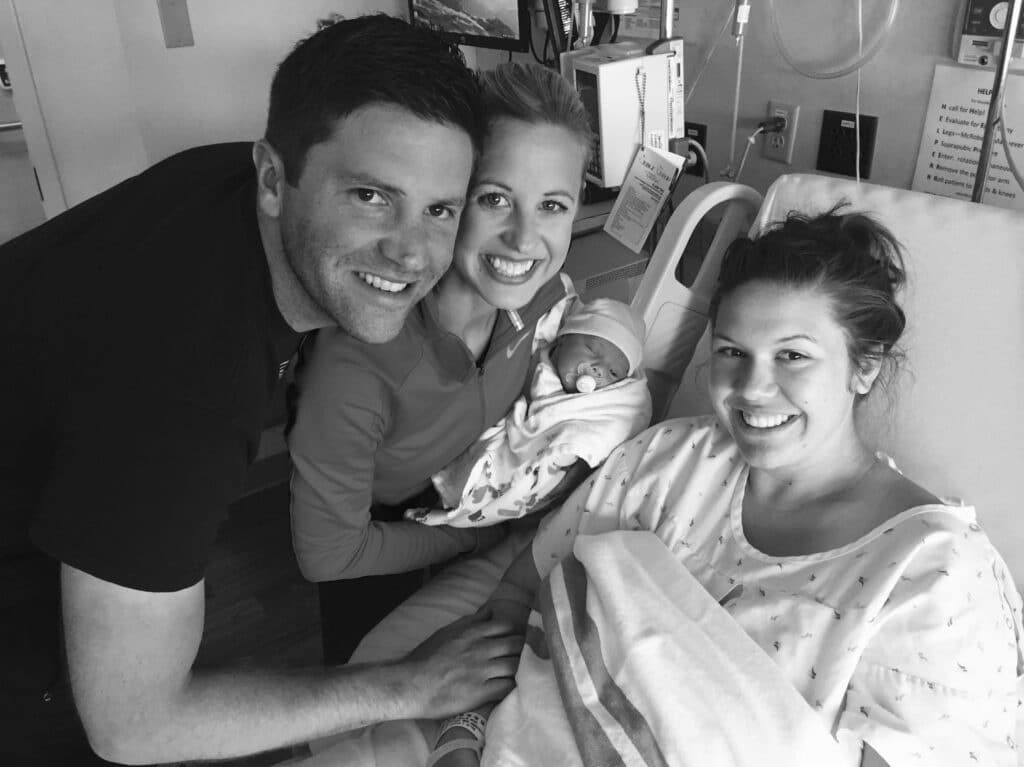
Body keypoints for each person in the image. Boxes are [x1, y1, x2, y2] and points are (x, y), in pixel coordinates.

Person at [0, 15, 527, 766]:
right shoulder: (181, 391)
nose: (413, 252)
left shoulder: (223, 190)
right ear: (275, 177)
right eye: (373, 196)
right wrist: (410, 686)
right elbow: (135, 725)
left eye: (439, 208)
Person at [433, 207, 1024, 766]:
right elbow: (520, 598)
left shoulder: (935, 579)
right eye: (732, 352)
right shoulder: (664, 461)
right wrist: (462, 737)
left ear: (864, 365)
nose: (752, 388)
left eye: (792, 355)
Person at [286, 60, 596, 665]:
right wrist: (469, 535)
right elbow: (328, 552)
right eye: (495, 199)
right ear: (447, 198)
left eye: (553, 205)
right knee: (370, 677)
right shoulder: (358, 361)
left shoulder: (543, 301)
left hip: (473, 498)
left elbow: (583, 329)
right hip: (379, 529)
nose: (525, 239)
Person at [406, 297, 651, 528]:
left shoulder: (593, 408)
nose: (598, 370)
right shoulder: (537, 353)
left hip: (517, 467)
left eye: (614, 373)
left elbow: (583, 438)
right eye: (592, 350)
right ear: (564, 338)